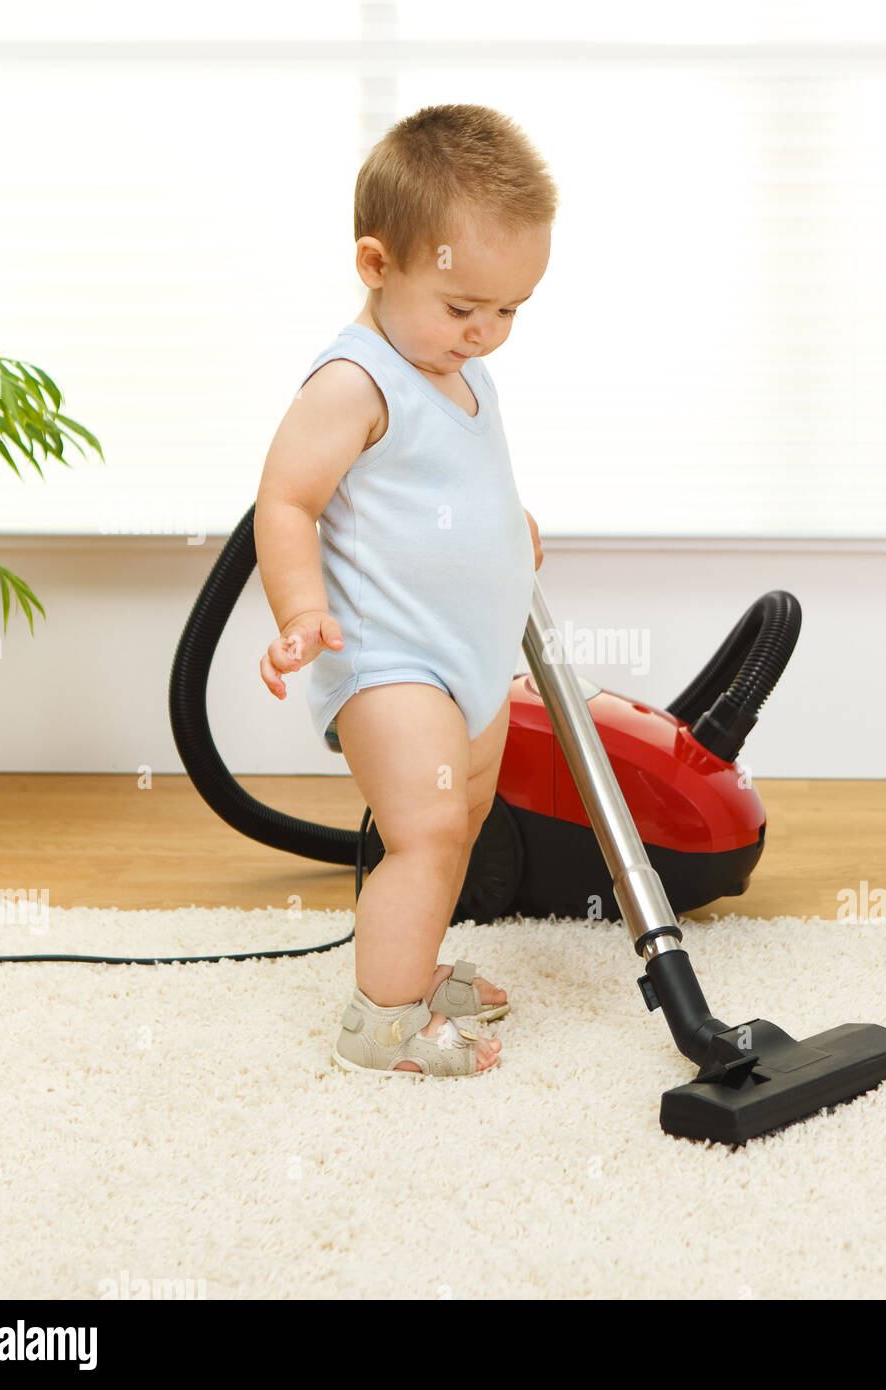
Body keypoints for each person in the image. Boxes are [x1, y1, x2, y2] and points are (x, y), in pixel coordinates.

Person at [255, 104, 557, 1078]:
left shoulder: (459, 371)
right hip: (389, 658)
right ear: (377, 265)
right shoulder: (355, 380)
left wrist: (506, 531)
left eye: (509, 309)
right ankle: (380, 1023)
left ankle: (412, 965)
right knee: (424, 831)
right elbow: (287, 500)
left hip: (469, 660)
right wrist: (303, 611)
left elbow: (449, 482)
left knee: (460, 826)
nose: (486, 331)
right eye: (464, 304)